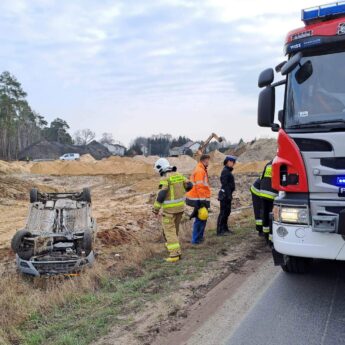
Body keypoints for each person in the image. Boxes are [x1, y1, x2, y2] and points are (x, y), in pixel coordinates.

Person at [153, 158, 193, 262]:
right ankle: (172, 248)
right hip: (180, 209)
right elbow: (190, 185)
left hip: (169, 211)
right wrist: (181, 191)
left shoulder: (165, 178)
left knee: (169, 232)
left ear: (160, 168)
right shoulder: (179, 175)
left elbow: (161, 194)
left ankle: (175, 254)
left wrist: (156, 209)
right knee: (174, 231)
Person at [186, 154, 211, 244]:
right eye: (208, 160)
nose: (209, 162)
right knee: (201, 218)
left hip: (199, 198)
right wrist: (202, 200)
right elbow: (200, 187)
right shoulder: (200, 171)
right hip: (199, 198)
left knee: (201, 218)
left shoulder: (201, 169)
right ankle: (196, 240)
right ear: (204, 160)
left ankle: (198, 238)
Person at [217, 155, 236, 236]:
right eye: (232, 162)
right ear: (228, 162)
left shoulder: (227, 171)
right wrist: (228, 195)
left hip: (227, 195)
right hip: (225, 195)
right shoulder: (225, 171)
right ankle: (220, 231)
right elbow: (225, 184)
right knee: (223, 213)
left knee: (227, 212)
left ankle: (225, 229)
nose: (233, 164)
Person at [259, 160, 278, 243]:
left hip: (263, 192)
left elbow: (262, 177)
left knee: (265, 214)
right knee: (272, 216)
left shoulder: (268, 164)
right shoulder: (279, 163)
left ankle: (266, 236)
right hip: (272, 193)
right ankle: (271, 239)